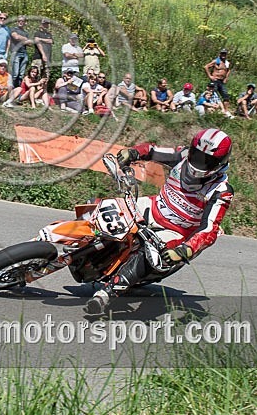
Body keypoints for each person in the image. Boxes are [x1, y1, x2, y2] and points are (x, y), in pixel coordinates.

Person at [85, 128, 234, 314]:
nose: (198, 163)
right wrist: (133, 152)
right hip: (154, 207)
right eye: (196, 155)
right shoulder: (182, 155)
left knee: (152, 255)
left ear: (219, 164)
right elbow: (153, 151)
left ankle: (108, 292)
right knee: (99, 206)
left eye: (207, 161)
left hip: (177, 231)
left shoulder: (221, 190)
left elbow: (209, 229)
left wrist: (185, 250)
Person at [10, 15, 32, 89]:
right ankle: (12, 90)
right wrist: (25, 39)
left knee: (21, 74)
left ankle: (18, 90)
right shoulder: (14, 29)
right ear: (17, 22)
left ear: (25, 22)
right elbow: (15, 37)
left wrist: (22, 39)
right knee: (15, 73)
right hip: (16, 53)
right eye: (19, 21)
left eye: (22, 21)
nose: (21, 22)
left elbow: (30, 43)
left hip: (24, 53)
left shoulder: (26, 32)